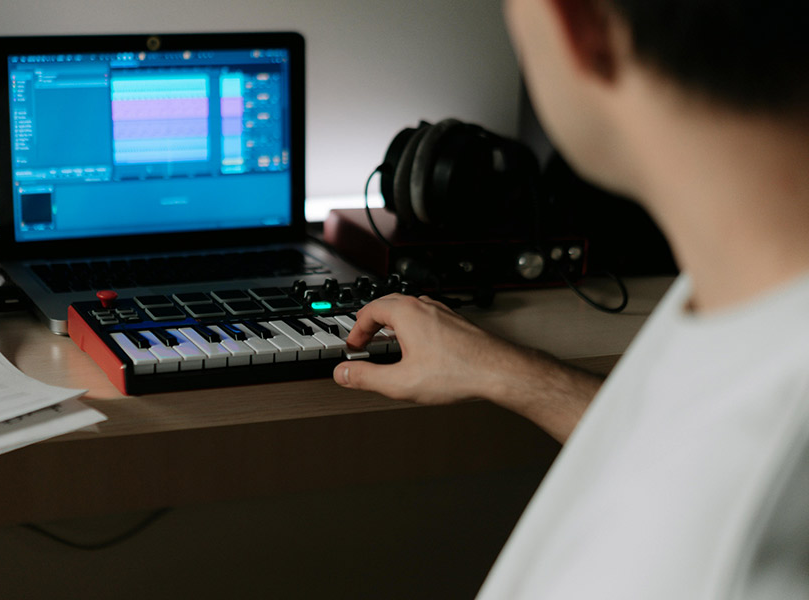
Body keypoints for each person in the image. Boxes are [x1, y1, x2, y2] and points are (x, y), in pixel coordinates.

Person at [333, 0, 809, 597]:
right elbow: (679, 443)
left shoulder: (715, 557)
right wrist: (507, 372)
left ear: (578, 27)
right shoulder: (745, 267)